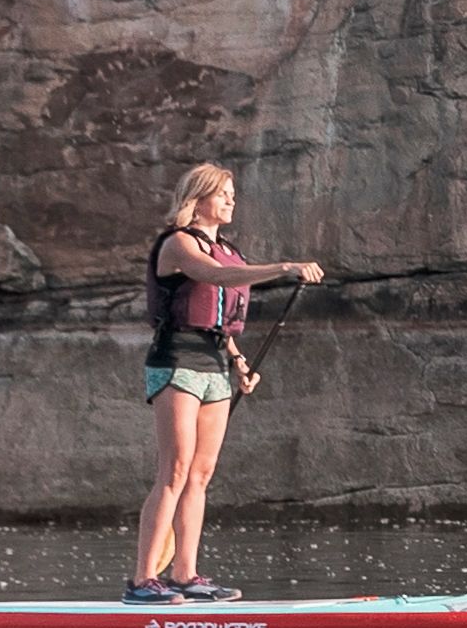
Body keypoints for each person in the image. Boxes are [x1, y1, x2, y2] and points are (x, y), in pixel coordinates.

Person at [129, 160, 322, 600]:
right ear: (198, 200)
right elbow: (213, 276)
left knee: (201, 473)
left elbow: (220, 319)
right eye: (223, 193)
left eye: (233, 194)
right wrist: (285, 266)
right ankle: (142, 581)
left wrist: (239, 362)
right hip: (176, 360)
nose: (232, 200)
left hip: (216, 365)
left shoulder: (231, 249)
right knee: (174, 470)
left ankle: (184, 575)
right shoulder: (179, 244)